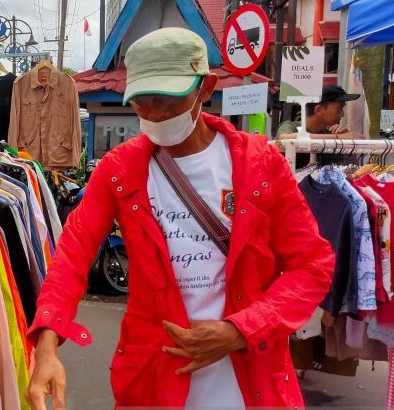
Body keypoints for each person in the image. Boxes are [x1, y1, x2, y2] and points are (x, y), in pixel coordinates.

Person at [27, 27, 335, 409]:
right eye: (142, 101)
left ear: (205, 88)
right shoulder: (119, 170)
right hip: (152, 378)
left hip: (250, 378)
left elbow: (312, 264)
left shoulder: (260, 163)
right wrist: (46, 345)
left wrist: (242, 329)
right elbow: (72, 255)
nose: (155, 113)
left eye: (168, 99)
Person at [276, 84, 363, 140]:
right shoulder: (290, 127)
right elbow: (284, 138)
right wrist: (337, 138)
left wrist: (345, 140)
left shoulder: (329, 133)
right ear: (319, 110)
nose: (342, 114)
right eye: (338, 109)